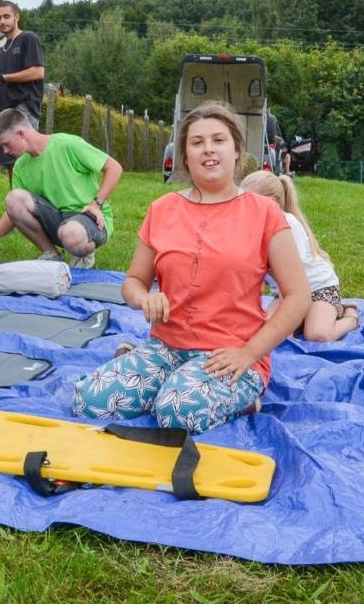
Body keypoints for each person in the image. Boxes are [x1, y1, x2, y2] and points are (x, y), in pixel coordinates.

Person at [71, 102, 309, 433]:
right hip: (166, 347)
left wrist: (249, 353)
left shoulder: (264, 213)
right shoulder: (162, 209)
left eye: (218, 140)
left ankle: (244, 396)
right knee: (89, 400)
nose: (208, 149)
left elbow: (298, 296)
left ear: (237, 150)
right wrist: (144, 299)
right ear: (184, 155)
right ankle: (170, 379)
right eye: (196, 142)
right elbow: (134, 282)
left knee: (176, 413)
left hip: (231, 353)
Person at [0, 108, 121, 269]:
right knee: (14, 198)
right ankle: (51, 254)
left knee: (71, 234)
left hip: (89, 217)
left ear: (21, 133)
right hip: (57, 220)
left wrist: (96, 204)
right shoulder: (21, 166)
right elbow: (13, 209)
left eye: (6, 144)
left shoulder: (67, 144)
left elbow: (114, 167)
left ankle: (83, 252)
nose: (5, 151)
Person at [240, 171, 361, 342]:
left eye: (250, 203)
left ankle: (349, 314)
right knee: (261, 331)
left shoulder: (287, 226)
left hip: (318, 289)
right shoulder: (250, 230)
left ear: (272, 202)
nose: (243, 210)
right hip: (288, 295)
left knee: (318, 335)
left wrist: (286, 328)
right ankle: (306, 318)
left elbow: (289, 279)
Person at [0, 1, 45, 168]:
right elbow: (2, 85)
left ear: (17, 17)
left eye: (7, 16)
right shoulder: (0, 52)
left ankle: (30, 195)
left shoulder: (28, 38)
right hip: (4, 110)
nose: (2, 21)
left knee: (26, 160)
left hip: (24, 108)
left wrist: (4, 78)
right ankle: (15, 194)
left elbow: (38, 72)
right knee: (10, 160)